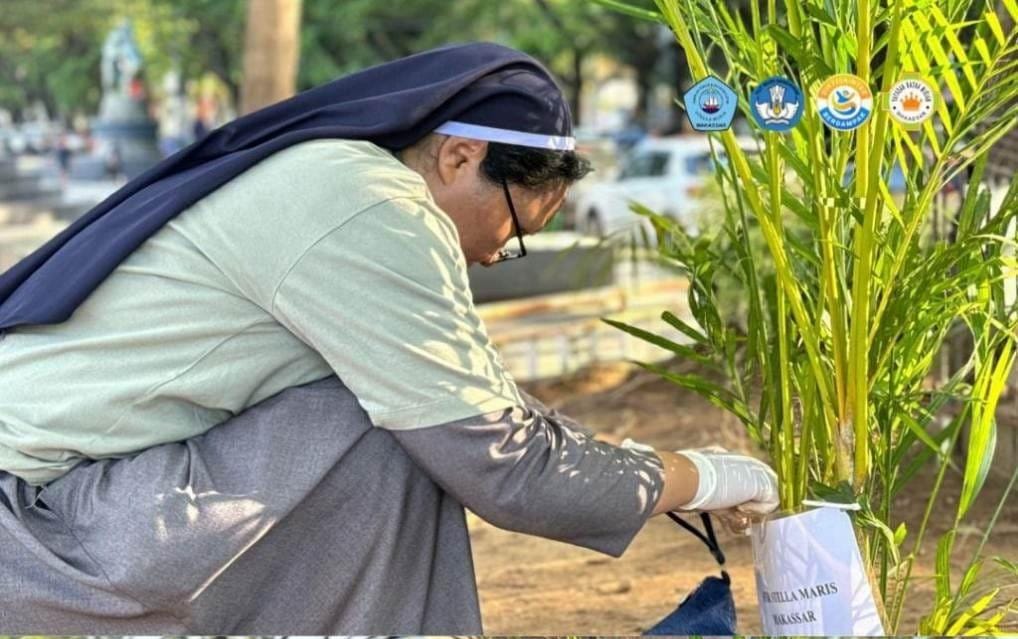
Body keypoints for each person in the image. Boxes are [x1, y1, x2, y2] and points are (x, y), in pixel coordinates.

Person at [0, 43, 778, 634]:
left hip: (90, 503)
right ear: (459, 155)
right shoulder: (372, 208)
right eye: (512, 225)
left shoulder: (334, 178)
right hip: (45, 529)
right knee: (406, 433)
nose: (494, 254)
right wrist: (705, 477)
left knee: (416, 418)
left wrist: (653, 474)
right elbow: (506, 465)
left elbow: (490, 413)